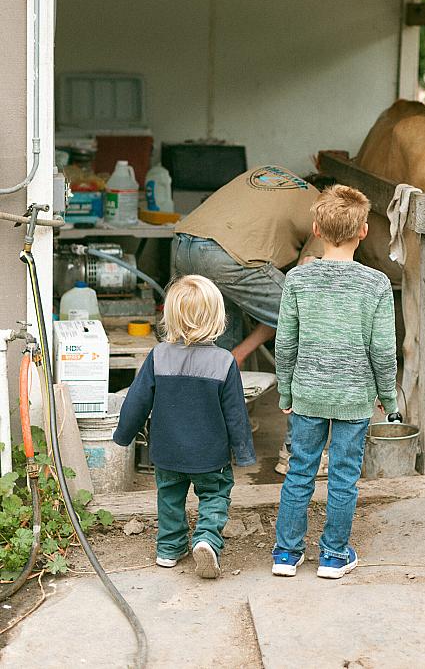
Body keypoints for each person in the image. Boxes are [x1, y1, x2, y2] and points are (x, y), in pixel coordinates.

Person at [271, 185, 398, 579]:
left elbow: (285, 343)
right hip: (354, 397)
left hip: (307, 394)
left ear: (316, 229)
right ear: (363, 231)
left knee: (299, 472)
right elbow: (383, 351)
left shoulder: (297, 280)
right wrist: (388, 397)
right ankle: (333, 555)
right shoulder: (375, 284)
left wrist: (286, 390)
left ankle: (286, 555)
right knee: (344, 477)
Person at [174, 165, 326, 475]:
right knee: (315, 326)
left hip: (183, 243)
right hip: (230, 257)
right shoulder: (324, 210)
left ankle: (211, 445)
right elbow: (300, 297)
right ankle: (298, 452)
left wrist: (240, 351)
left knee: (213, 340)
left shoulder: (267, 175)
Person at [113, 275, 255, 579]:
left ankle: (168, 548)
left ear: (170, 317)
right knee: (215, 496)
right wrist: (243, 453)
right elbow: (236, 414)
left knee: (169, 498)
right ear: (217, 318)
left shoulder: (158, 356)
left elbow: (136, 400)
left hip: (166, 451)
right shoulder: (224, 362)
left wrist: (123, 434)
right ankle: (206, 538)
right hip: (210, 455)